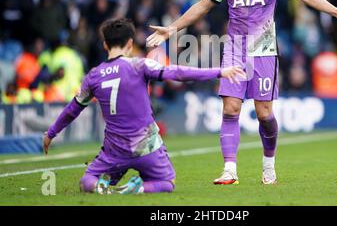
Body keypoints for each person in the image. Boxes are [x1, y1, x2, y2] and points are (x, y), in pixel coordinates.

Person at [146, 0, 337, 185]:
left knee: (264, 114)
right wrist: (172, 29)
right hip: (235, 50)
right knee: (231, 108)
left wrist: (334, 11)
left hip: (264, 51)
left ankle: (268, 165)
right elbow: (203, 6)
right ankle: (230, 171)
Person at [43, 18, 244, 194]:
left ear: (105, 44)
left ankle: (102, 188)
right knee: (167, 182)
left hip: (114, 151)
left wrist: (51, 133)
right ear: (130, 43)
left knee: (87, 181)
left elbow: (73, 109)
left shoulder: (93, 76)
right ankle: (138, 189)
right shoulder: (139, 65)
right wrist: (219, 72)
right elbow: (178, 73)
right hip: (145, 148)